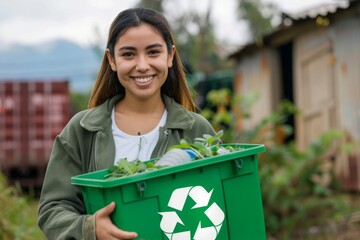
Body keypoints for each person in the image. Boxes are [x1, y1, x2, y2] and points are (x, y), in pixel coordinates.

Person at [38, 7, 216, 240]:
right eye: (128, 54)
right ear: (111, 60)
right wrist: (91, 228)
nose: (142, 65)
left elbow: (219, 201)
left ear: (170, 56)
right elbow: (52, 210)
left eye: (153, 52)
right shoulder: (82, 130)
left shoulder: (197, 130)